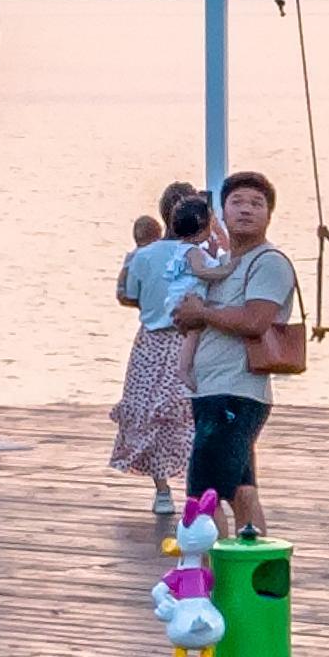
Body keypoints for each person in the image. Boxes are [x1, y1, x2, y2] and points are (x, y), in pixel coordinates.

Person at [176, 167, 301, 536]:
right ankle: (258, 579)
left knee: (204, 495)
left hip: (237, 391)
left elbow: (255, 320)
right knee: (242, 492)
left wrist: (204, 313)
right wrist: (189, 314)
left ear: (269, 214)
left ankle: (212, 578)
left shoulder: (270, 262)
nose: (246, 209)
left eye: (257, 203)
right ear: (221, 213)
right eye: (237, 202)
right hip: (212, 389)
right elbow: (198, 317)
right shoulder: (223, 265)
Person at [113, 181, 216, 497]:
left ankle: (161, 489)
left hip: (150, 341)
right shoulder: (199, 256)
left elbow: (127, 297)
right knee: (188, 413)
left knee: (149, 413)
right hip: (188, 339)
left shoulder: (143, 255)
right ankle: (196, 484)